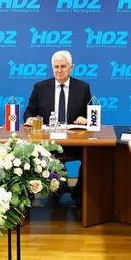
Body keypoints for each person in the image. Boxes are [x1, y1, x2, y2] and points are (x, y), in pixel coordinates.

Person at [23, 50, 92, 203]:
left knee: (92, 156)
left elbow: (92, 114)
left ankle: (79, 194)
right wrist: (30, 118)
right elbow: (29, 111)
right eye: (56, 67)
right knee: (26, 154)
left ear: (71, 68)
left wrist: (86, 119)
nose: (59, 70)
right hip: (47, 143)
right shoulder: (40, 87)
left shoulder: (83, 88)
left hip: (75, 142)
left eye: (63, 66)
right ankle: (37, 194)